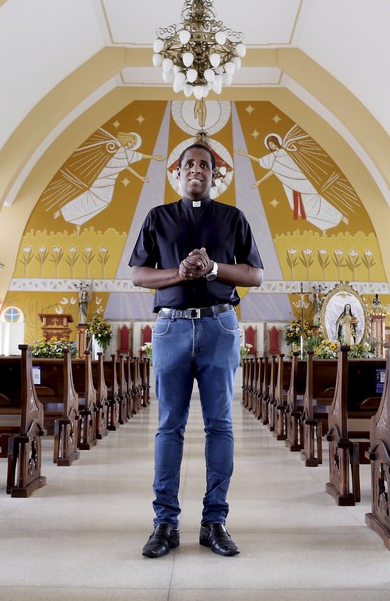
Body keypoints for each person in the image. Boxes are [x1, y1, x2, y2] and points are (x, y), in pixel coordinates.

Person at [129, 142, 264, 559]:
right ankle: (165, 523)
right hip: (170, 328)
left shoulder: (232, 218)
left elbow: (255, 274)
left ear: (214, 174)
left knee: (220, 425)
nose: (196, 170)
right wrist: (180, 272)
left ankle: (214, 522)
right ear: (178, 172)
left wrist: (214, 268)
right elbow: (138, 274)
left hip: (220, 325)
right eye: (189, 164)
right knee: (169, 425)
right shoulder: (158, 217)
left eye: (205, 165)